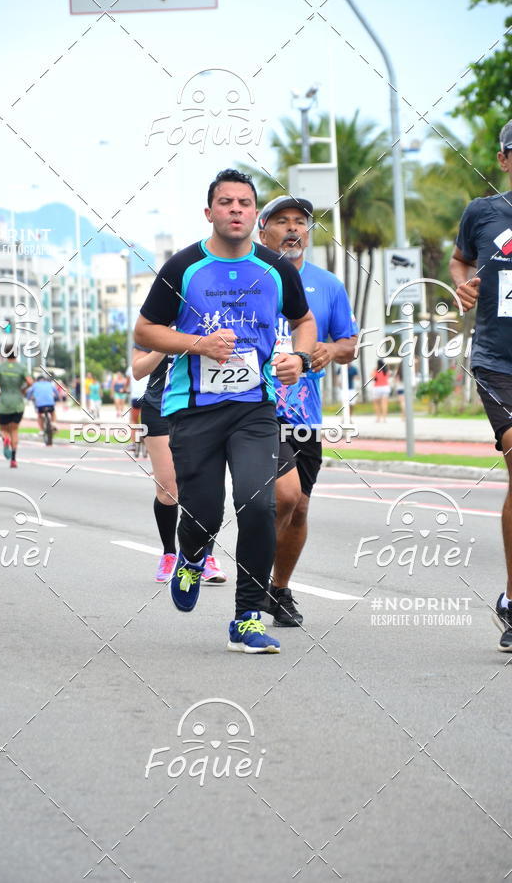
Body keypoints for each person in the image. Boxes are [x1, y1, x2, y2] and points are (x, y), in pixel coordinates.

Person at [135, 168, 316, 654]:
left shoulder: (276, 268)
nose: (236, 209)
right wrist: (199, 344)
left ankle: (247, 618)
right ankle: (192, 557)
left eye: (244, 203)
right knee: (204, 513)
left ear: (255, 214)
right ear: (209, 212)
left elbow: (304, 321)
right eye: (226, 202)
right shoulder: (183, 267)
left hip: (254, 407)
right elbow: (145, 331)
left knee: (259, 505)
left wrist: (299, 357)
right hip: (194, 408)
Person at [257, 195, 358, 626]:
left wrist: (329, 351)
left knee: (299, 506)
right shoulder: (249, 277)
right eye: (282, 221)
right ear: (263, 231)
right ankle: (252, 585)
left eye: (300, 221)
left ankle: (278, 589)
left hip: (305, 414)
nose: (293, 229)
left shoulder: (328, 285)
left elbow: (349, 345)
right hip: (256, 408)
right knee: (283, 496)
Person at [450, 119, 512, 652]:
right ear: (504, 159)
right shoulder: (483, 212)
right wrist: (462, 286)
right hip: (498, 363)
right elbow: (460, 260)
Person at [132, 345, 227, 585]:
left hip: (204, 407)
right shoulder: (155, 326)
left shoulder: (209, 323)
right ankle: (169, 554)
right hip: (160, 408)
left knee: (206, 488)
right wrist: (164, 344)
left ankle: (205, 556)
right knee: (168, 490)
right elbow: (138, 371)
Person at [0, 350, 31, 468]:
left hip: (4, 402)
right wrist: (23, 389)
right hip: (18, 403)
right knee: (14, 430)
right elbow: (30, 381)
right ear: (16, 354)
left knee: (3, 428)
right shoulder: (22, 367)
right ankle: (13, 460)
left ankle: (5, 438)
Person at [25, 375, 58, 440]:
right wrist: (56, 398)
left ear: (37, 380)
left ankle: (41, 430)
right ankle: (53, 423)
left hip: (40, 405)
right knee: (53, 412)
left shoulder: (35, 385)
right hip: (50, 404)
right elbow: (56, 392)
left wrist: (28, 398)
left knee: (39, 415)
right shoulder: (50, 384)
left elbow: (29, 392)